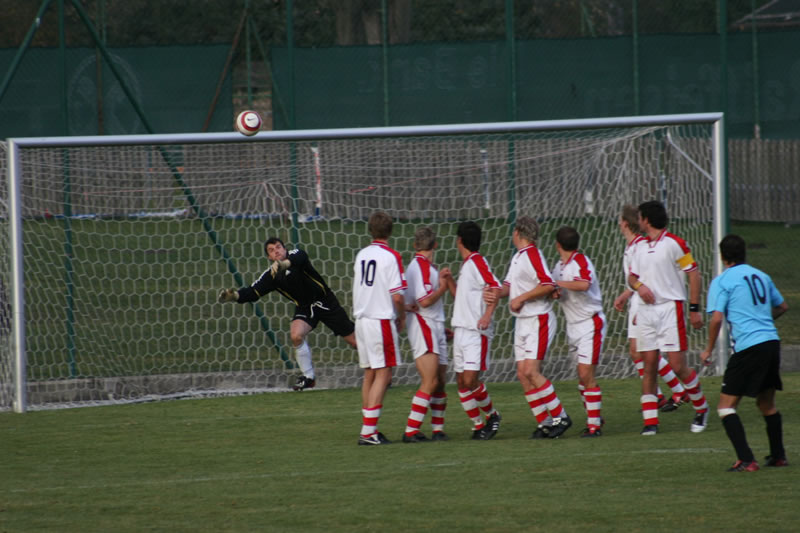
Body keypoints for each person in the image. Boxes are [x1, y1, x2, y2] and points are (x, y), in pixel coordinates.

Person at [218, 236, 356, 391]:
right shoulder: (271, 275)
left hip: (325, 302)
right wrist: (234, 296)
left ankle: (379, 363)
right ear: (269, 257)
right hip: (304, 307)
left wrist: (284, 264)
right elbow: (253, 292)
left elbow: (301, 256)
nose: (276, 251)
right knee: (296, 335)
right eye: (271, 250)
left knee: (355, 342)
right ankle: (309, 377)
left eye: (278, 247)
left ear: (284, 249)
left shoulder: (294, 256)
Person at [700, 234, 789, 472]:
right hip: (771, 342)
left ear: (722, 256)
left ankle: (746, 459)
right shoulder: (762, 275)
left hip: (749, 347)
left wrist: (707, 349)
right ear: (744, 253)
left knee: (726, 407)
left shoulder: (723, 281)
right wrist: (763, 322)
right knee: (766, 404)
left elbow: (717, 318)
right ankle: (779, 456)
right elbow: (782, 306)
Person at [628, 200, 709, 435]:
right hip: (645, 312)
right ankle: (650, 422)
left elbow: (694, 275)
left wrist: (694, 308)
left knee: (677, 365)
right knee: (649, 364)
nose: (638, 221)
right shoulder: (638, 247)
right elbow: (631, 278)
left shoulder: (675, 244)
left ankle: (701, 408)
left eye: (640, 217)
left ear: (646, 219)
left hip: (669, 309)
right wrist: (640, 287)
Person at [489, 216, 572, 439]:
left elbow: (547, 284)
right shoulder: (518, 257)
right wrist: (496, 292)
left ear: (517, 233)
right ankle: (544, 422)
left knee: (531, 371)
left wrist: (522, 298)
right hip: (523, 321)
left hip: (538, 319)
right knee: (522, 374)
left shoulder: (533, 254)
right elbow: (508, 286)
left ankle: (561, 416)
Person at [612, 205, 689, 412]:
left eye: (620, 220)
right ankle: (661, 395)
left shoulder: (643, 245)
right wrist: (626, 293)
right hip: (640, 300)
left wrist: (631, 294)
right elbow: (636, 279)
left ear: (627, 223)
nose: (618, 224)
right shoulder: (634, 246)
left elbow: (686, 269)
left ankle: (674, 391)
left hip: (649, 303)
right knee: (638, 354)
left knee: (644, 354)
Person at [443, 221, 502, 440]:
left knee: (470, 380)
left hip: (476, 332)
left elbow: (494, 286)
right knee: (460, 382)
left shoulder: (477, 261)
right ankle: (478, 425)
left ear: (459, 240)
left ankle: (492, 415)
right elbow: (462, 298)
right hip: (461, 330)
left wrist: (487, 315)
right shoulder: (467, 264)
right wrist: (449, 280)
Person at [353, 211, 407, 445]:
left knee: (370, 373)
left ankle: (369, 429)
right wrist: (402, 316)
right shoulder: (391, 256)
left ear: (370, 230)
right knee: (384, 373)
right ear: (390, 230)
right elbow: (397, 296)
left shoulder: (361, 254)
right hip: (379, 319)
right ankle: (368, 432)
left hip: (361, 320)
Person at [551, 226, 605, 437]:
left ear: (557, 245)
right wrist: (555, 292)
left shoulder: (581, 261)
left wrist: (557, 283)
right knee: (582, 378)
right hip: (573, 325)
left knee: (585, 374)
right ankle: (595, 417)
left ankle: (594, 427)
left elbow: (583, 284)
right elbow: (559, 291)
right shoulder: (558, 266)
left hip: (590, 323)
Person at [401, 226, 453, 443]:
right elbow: (424, 301)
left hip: (434, 325)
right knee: (430, 380)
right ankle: (411, 430)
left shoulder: (426, 267)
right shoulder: (421, 267)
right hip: (424, 325)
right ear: (436, 245)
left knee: (440, 380)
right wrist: (443, 287)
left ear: (415, 245)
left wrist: (442, 326)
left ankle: (437, 430)